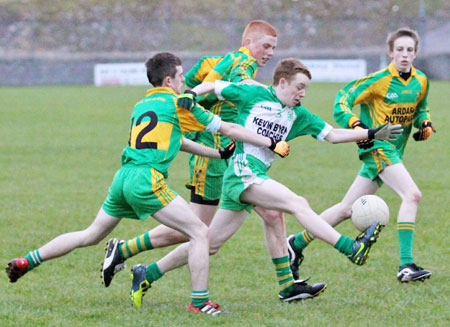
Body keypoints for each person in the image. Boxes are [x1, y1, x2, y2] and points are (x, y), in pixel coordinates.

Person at [5, 52, 291, 316]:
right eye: (181, 77)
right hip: (147, 180)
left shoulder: (142, 104)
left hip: (123, 177)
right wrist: (271, 142)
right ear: (169, 80)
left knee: (90, 235)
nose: (185, 81)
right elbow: (227, 128)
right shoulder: (178, 103)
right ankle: (199, 302)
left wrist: (216, 153)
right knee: (200, 234)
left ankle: (27, 261)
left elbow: (176, 141)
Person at [127, 58, 403, 307]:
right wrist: (190, 93)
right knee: (297, 203)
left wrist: (371, 133)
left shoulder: (299, 115)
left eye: (305, 88)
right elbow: (213, 85)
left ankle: (147, 273)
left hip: (252, 177)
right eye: (299, 87)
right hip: (242, 171)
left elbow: (331, 135)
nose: (303, 94)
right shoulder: (254, 93)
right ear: (282, 82)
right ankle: (350, 248)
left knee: (219, 240)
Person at [101, 20, 329, 302]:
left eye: (274, 47)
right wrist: (278, 95)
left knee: (271, 214)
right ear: (248, 43)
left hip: (232, 156)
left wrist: (193, 92)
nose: (270, 53)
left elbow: (199, 80)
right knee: (197, 233)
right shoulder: (240, 60)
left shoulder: (225, 61)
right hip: (212, 157)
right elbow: (227, 82)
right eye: (266, 46)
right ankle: (128, 255)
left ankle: (288, 286)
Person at [286, 27, 433, 283]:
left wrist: (426, 124)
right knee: (412, 195)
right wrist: (356, 125)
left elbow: (421, 107)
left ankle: (295, 244)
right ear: (390, 52)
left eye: (409, 50)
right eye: (399, 49)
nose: (404, 54)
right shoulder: (378, 80)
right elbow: (342, 99)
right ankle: (406, 265)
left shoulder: (421, 81)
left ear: (416, 53)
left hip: (394, 150)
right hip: (377, 147)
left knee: (345, 209)